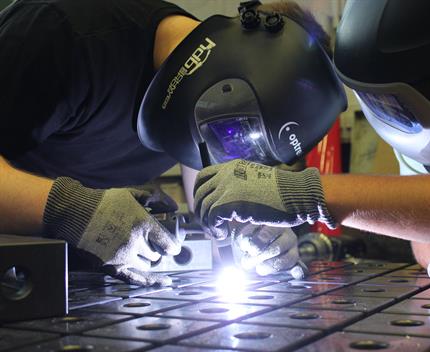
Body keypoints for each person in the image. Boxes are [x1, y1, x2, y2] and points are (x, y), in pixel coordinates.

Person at [193, 0, 430, 298]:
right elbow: (424, 234)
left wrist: (308, 194)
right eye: (383, 103)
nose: (403, 118)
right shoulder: (413, 117)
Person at [0, 0, 346, 286]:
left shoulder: (206, 96)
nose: (228, 151)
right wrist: (72, 209)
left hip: (55, 282)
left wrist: (250, 224)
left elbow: (211, 186)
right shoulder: (63, 35)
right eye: (234, 135)